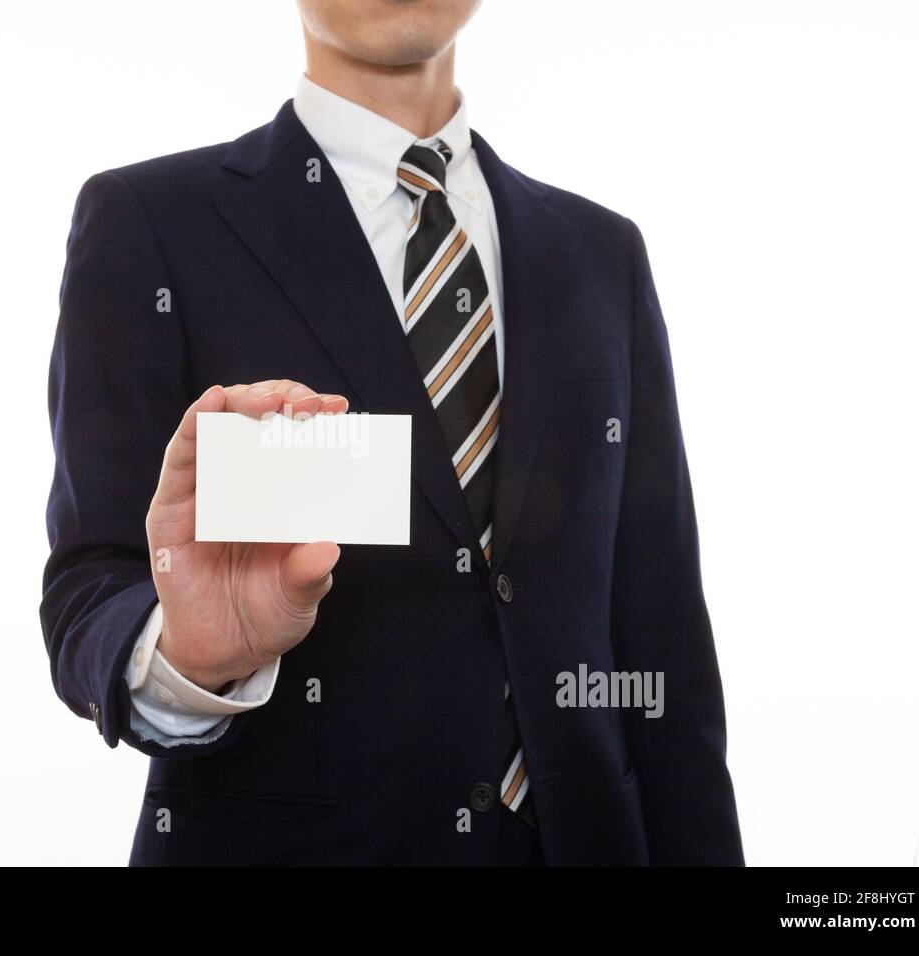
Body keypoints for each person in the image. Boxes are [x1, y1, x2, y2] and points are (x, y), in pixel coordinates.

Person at [41, 0, 743, 865]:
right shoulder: (150, 225)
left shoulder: (600, 253)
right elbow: (88, 590)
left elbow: (662, 631)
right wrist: (189, 653)